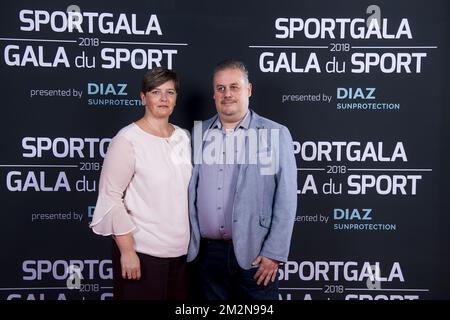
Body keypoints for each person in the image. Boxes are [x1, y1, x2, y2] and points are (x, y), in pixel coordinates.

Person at [187, 60, 297, 300]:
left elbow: (286, 198)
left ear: (249, 90)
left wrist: (274, 253)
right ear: (214, 94)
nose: (227, 94)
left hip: (255, 255)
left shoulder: (275, 134)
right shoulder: (198, 133)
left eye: (234, 87)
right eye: (221, 88)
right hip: (206, 256)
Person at [89, 67, 192, 300]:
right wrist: (127, 251)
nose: (164, 99)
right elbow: (110, 196)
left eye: (170, 92)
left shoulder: (183, 137)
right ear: (143, 97)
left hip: (181, 255)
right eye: (156, 92)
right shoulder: (127, 140)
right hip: (142, 253)